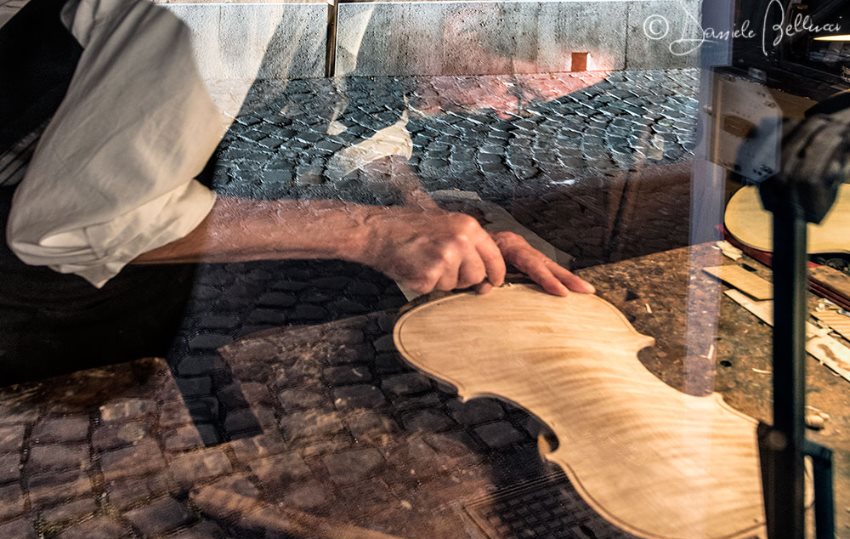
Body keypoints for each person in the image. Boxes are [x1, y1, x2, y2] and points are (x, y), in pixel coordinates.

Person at [0, 0, 593, 381]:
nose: (497, 114)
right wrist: (373, 234)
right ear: (468, 18)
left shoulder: (389, 22)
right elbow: (79, 227)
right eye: (515, 92)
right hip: (25, 279)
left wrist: (428, 222)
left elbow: (359, 126)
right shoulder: (228, 10)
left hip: (145, 269)